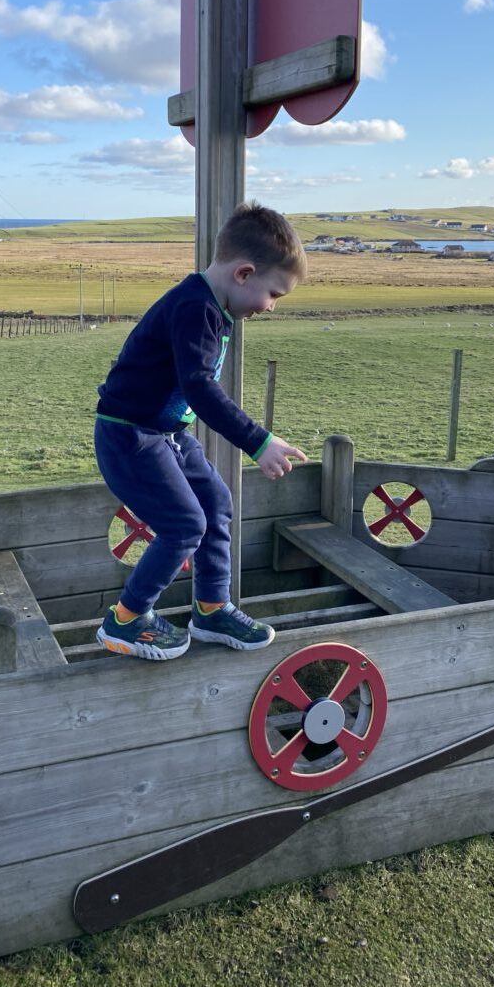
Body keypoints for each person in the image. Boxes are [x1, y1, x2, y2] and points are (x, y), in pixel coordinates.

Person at [94, 202, 308, 660]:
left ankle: (211, 609)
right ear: (244, 273)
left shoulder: (211, 306)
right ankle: (126, 619)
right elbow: (199, 387)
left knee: (216, 502)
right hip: (130, 436)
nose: (270, 306)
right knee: (184, 524)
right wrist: (258, 441)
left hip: (166, 433)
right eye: (274, 294)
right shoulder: (196, 308)